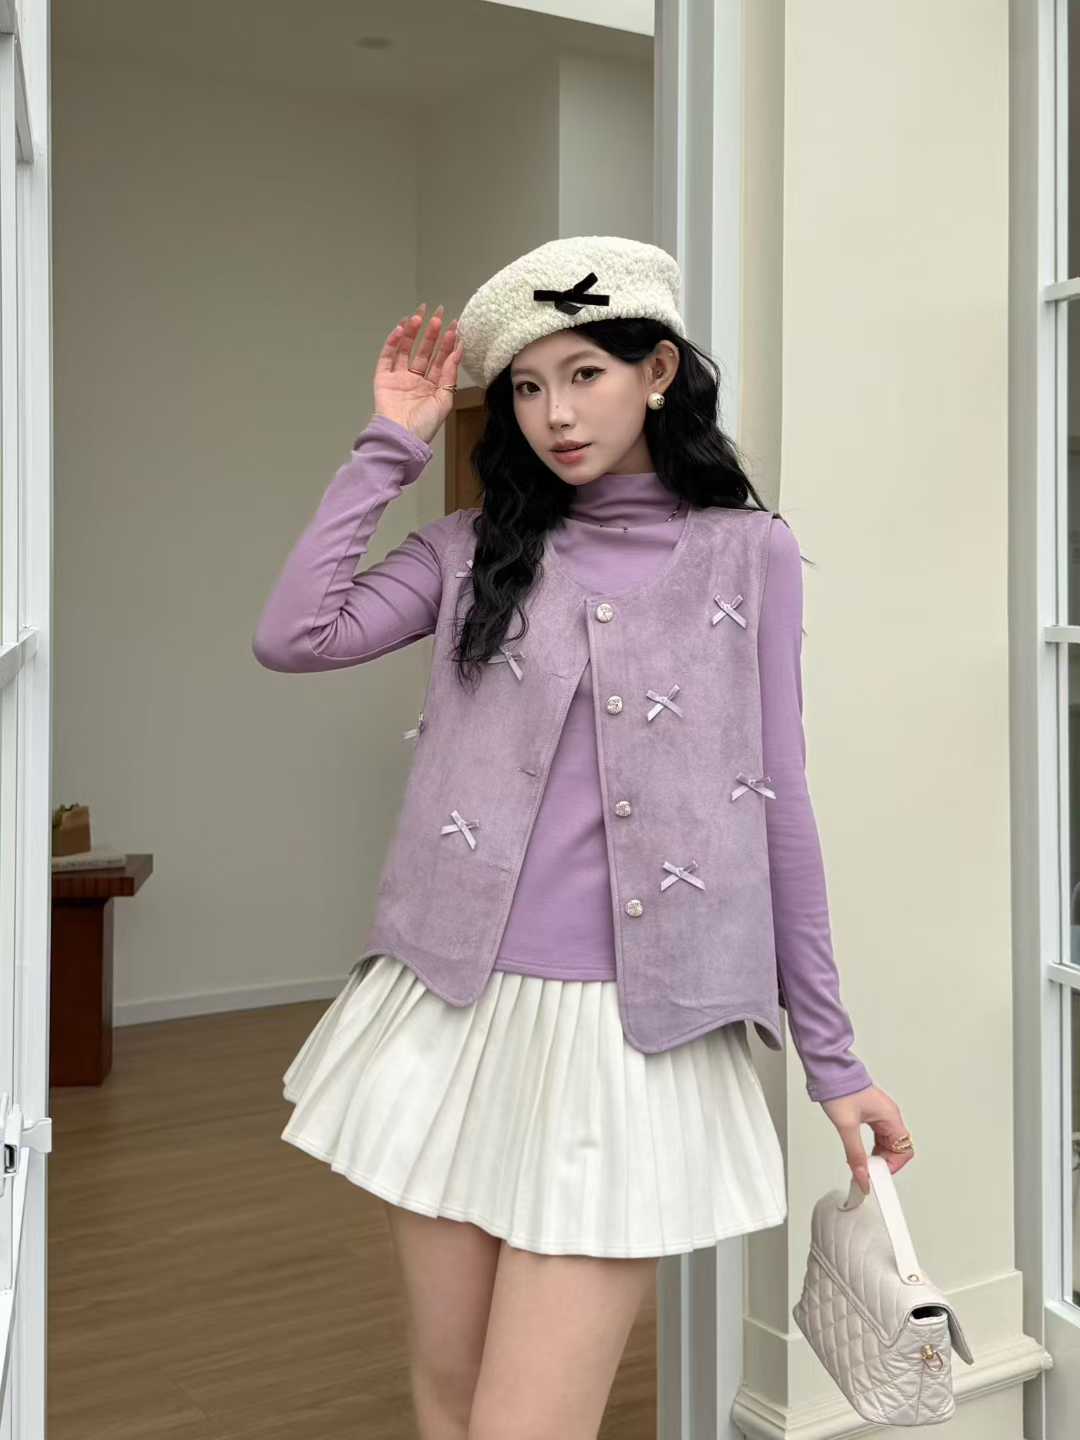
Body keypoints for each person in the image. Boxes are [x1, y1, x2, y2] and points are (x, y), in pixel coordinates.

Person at [253, 236, 913, 1440]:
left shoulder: (748, 553)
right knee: (450, 1406)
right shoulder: (469, 551)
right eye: (526, 386)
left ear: (656, 371)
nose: (554, 414)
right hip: (448, 1017)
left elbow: (780, 801)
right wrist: (392, 442)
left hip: (630, 1041)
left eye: (584, 375)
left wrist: (834, 1059)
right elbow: (296, 635)